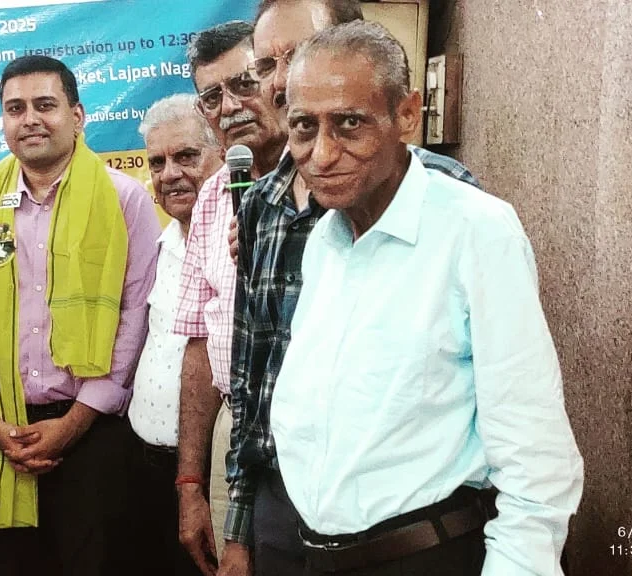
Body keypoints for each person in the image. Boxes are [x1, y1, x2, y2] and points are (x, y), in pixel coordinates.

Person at [273, 20, 584, 576]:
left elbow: (535, 458)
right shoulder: (324, 241)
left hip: (429, 556)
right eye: (303, 127)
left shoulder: (475, 230)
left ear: (407, 114)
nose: (322, 153)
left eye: (349, 124)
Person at [222, 3, 488, 575]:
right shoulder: (260, 205)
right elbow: (251, 373)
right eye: (266, 64)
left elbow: (517, 421)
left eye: (298, 53)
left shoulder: (446, 200)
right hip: (282, 511)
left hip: (408, 534)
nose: (282, 79)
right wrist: (241, 524)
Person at [0, 55, 160, 576]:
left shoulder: (124, 199)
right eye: (15, 108)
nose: (30, 119)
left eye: (45, 105)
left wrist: (75, 422)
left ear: (77, 116)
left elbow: (134, 320)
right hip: (0, 432)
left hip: (95, 434)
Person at [175, 21, 287, 574]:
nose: (230, 107)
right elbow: (199, 343)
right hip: (234, 427)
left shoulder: (332, 183)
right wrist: (190, 484)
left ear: (277, 79)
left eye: (244, 83)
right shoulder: (215, 194)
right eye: (212, 97)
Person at [128, 93, 224, 576]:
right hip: (146, 464)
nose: (169, 174)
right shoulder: (161, 244)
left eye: (186, 156)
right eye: (157, 162)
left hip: (211, 472)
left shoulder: (239, 242)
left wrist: (193, 483)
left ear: (221, 154)